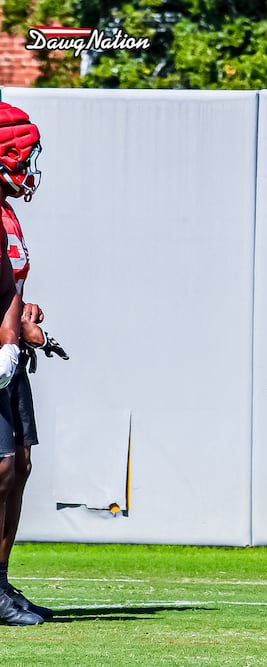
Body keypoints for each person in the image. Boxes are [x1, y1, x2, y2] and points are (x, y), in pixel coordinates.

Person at [0, 102, 43, 626]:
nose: (30, 166)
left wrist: (24, 316)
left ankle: (2, 580)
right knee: (3, 467)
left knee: (19, 466)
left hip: (11, 351)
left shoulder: (8, 210)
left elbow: (6, 288)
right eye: (23, 154)